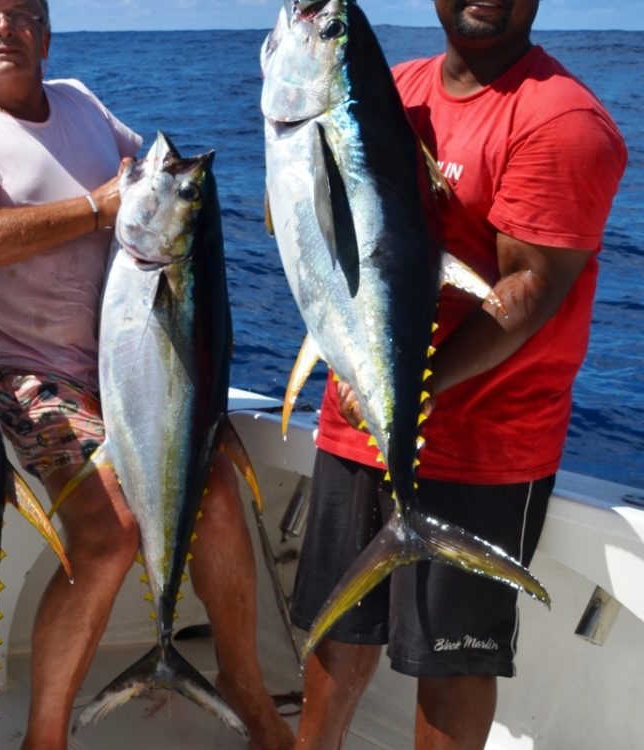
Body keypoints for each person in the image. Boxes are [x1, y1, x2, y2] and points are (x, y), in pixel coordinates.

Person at [0, 1, 295, 749]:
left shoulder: (83, 102)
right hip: (26, 375)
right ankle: (44, 738)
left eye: (21, 13)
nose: (4, 29)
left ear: (46, 37)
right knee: (112, 530)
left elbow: (145, 180)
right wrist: (96, 209)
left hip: (130, 364)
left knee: (215, 497)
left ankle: (243, 683)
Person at [289, 1, 627, 749]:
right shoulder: (393, 90)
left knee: (449, 663)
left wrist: (410, 389)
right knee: (337, 632)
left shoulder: (562, 120)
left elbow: (529, 291)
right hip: (355, 428)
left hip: (483, 446)